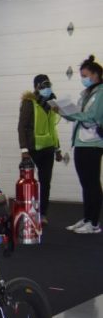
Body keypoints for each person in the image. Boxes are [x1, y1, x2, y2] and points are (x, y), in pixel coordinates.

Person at [60, 55, 103, 234]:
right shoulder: (87, 94)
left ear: (96, 75)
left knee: (92, 182)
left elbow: (92, 117)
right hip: (81, 142)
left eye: (85, 75)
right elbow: (78, 114)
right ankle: (86, 218)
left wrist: (74, 114)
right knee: (85, 183)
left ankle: (93, 223)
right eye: (82, 76)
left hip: (93, 143)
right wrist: (62, 111)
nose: (83, 79)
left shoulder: (100, 93)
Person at [17, 74, 62, 224]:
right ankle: (27, 212)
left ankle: (42, 214)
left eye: (49, 85)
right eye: (44, 85)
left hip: (48, 148)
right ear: (36, 86)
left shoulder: (51, 104)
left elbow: (52, 128)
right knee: (28, 182)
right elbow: (22, 127)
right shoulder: (29, 103)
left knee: (45, 182)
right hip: (32, 148)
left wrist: (57, 148)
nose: (47, 88)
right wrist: (24, 150)